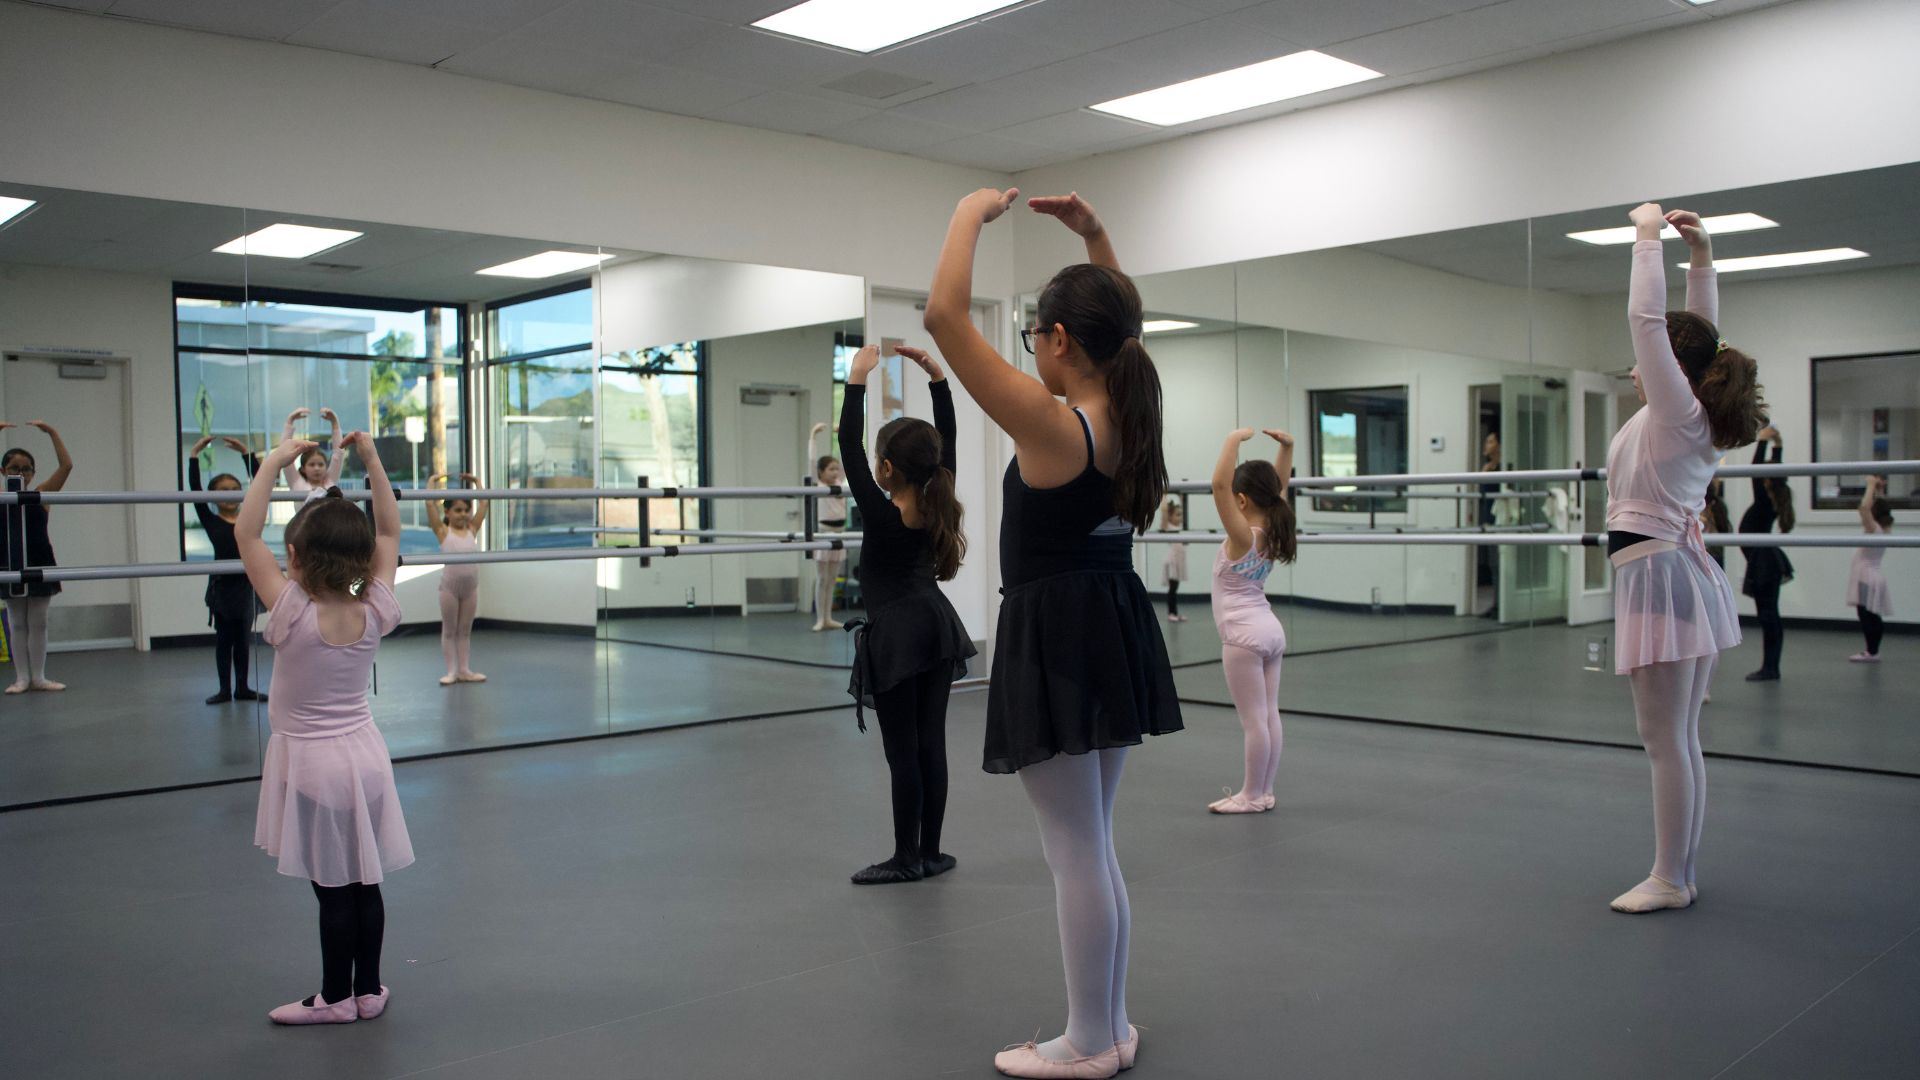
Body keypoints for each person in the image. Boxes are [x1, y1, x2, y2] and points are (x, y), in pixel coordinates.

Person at [927, 187, 1179, 1078]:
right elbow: (1125, 324)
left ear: (1061, 341)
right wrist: (1096, 236)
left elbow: (944, 317)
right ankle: (1107, 1027)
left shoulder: (1055, 425)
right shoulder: (1125, 413)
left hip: (1060, 635)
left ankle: (1085, 1043)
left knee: (1074, 851)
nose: (1031, 349)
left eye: (1036, 334)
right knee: (1093, 844)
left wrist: (968, 212)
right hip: (1107, 624)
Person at [1604, 205, 1761, 915]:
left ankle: (1670, 878)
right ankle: (1680, 872)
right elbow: (1698, 337)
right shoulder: (1690, 411)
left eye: (1653, 360)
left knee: (1663, 737)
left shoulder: (1678, 414)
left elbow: (1652, 326)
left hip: (1659, 574)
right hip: (1673, 572)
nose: (1639, 367)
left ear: (1672, 369)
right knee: (1677, 735)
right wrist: (1700, 256)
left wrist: (1645, 238)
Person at [237, 430, 412, 1025]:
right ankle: (370, 990)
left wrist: (270, 465)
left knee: (333, 889)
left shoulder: (292, 608)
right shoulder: (367, 600)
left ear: (297, 557)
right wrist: (371, 460)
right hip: (365, 756)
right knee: (366, 883)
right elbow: (388, 532)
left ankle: (335, 999)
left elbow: (244, 532)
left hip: (313, 764)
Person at [839, 343, 977, 885]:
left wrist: (857, 378)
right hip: (936, 627)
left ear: (887, 469)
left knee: (903, 755)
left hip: (897, 635)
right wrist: (938, 378)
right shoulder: (937, 495)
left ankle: (905, 857)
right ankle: (931, 851)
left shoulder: (880, 511)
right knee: (931, 746)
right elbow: (951, 439)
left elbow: (847, 445)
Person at [1205, 427, 1297, 815]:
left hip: (1243, 638)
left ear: (1242, 500)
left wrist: (1231, 440)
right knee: (1268, 714)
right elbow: (1280, 489)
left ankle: (1250, 794)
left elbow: (1217, 485)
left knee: (1253, 722)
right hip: (1270, 631)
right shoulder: (1274, 528)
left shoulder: (1243, 535)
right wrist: (1287, 448)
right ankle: (1265, 790)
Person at [187, 435, 267, 704]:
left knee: (243, 640)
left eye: (234, 487)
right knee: (224, 640)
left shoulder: (250, 517)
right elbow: (196, 489)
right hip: (222, 587)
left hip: (246, 585)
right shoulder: (211, 519)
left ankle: (242, 687)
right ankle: (224, 689)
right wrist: (194, 454)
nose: (230, 492)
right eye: (222, 489)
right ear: (214, 496)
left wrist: (247, 454)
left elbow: (261, 484)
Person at [1, 420, 74, 694]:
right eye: (14, 469)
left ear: (33, 472)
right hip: (8, 561)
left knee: (39, 621)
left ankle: (39, 677)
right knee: (17, 621)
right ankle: (21, 678)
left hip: (39, 560)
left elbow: (66, 467)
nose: (20, 473)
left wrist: (53, 432)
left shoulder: (41, 495)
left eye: (26, 469)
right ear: (3, 471)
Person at [1738, 427, 1794, 681]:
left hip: (1764, 562)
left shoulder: (1764, 500)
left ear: (1768, 481)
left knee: (1768, 615)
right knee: (1770, 614)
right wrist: (1777, 444)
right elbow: (1768, 472)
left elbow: (1755, 470)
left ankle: (1770, 667)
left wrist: (1762, 441)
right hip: (1765, 559)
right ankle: (1771, 666)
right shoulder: (1774, 497)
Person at [427, 473, 488, 686]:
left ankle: (464, 670)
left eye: (465, 510)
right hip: (450, 589)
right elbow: (429, 505)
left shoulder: (472, 529)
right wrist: (433, 482)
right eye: (458, 510)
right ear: (448, 512)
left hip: (471, 588)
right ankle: (451, 671)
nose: (463, 515)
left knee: (465, 630)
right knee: (450, 630)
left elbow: (484, 502)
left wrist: (476, 483)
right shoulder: (443, 531)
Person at [1847, 476, 1895, 662]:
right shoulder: (1884, 528)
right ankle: (1873, 650)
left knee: (1867, 617)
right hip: (1872, 576)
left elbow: (1864, 508)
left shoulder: (1874, 529)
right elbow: (1877, 507)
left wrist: (1870, 486)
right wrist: (1878, 490)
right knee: (1872, 616)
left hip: (1866, 577)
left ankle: (1871, 651)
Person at [806, 422, 848, 631]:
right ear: (820, 472)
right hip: (824, 534)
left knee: (832, 579)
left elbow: (845, 460)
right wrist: (813, 436)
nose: (834, 472)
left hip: (840, 534)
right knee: (822, 578)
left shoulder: (841, 485)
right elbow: (811, 462)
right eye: (830, 469)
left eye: (836, 469)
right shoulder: (819, 486)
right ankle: (820, 618)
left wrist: (841, 436)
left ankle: (828, 617)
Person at [282, 407, 345, 503]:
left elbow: (338, 454)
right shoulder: (297, 484)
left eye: (321, 464)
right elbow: (284, 455)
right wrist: (290, 421)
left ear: (326, 466)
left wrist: (335, 423)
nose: (317, 468)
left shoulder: (330, 482)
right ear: (303, 468)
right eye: (312, 464)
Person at [1158, 499, 1187, 622]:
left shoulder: (1178, 528)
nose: (1180, 517)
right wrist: (1163, 496)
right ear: (1170, 516)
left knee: (1175, 589)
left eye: (1180, 515)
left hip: (1178, 561)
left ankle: (1175, 612)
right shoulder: (1168, 527)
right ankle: (1171, 613)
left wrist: (1182, 498)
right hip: (1172, 562)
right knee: (1172, 589)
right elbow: (1164, 512)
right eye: (1177, 514)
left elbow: (1184, 513)